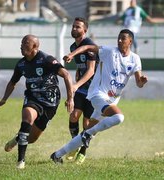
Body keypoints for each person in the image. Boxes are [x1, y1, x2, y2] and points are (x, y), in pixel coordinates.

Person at [50, 29, 148, 164]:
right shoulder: (109, 52)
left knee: (89, 129)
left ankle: (57, 155)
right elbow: (87, 47)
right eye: (118, 38)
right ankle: (87, 135)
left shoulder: (135, 59)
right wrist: (72, 54)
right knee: (119, 117)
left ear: (130, 41)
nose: (119, 41)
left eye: (123, 39)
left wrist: (141, 82)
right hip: (98, 94)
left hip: (112, 100)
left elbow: (138, 82)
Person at [0, 34, 74, 169]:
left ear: (35, 47)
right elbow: (13, 82)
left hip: (50, 102)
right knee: (27, 119)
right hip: (32, 98)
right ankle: (21, 162)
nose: (21, 46)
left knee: (32, 138)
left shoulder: (46, 60)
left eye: (25, 43)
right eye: (21, 43)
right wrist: (4, 99)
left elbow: (66, 75)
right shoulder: (21, 64)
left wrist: (70, 98)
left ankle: (17, 139)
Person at [63, 17, 98, 164]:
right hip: (82, 88)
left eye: (78, 27)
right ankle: (75, 144)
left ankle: (83, 152)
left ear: (85, 30)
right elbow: (81, 67)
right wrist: (77, 81)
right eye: (73, 26)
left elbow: (90, 71)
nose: (74, 29)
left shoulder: (90, 45)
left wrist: (76, 85)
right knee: (73, 116)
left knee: (87, 124)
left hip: (94, 89)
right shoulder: (73, 47)